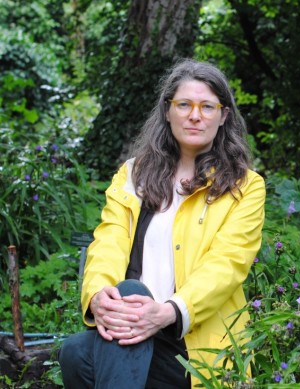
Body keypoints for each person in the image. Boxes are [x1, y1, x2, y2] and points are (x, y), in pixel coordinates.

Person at [59, 59, 266, 389]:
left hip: (191, 344)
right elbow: (108, 241)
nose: (194, 115)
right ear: (168, 111)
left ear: (224, 115)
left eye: (207, 106)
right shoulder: (133, 174)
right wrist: (99, 295)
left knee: (83, 350)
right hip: (132, 328)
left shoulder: (245, 186)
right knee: (77, 349)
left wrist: (169, 311)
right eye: (184, 104)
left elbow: (228, 265)